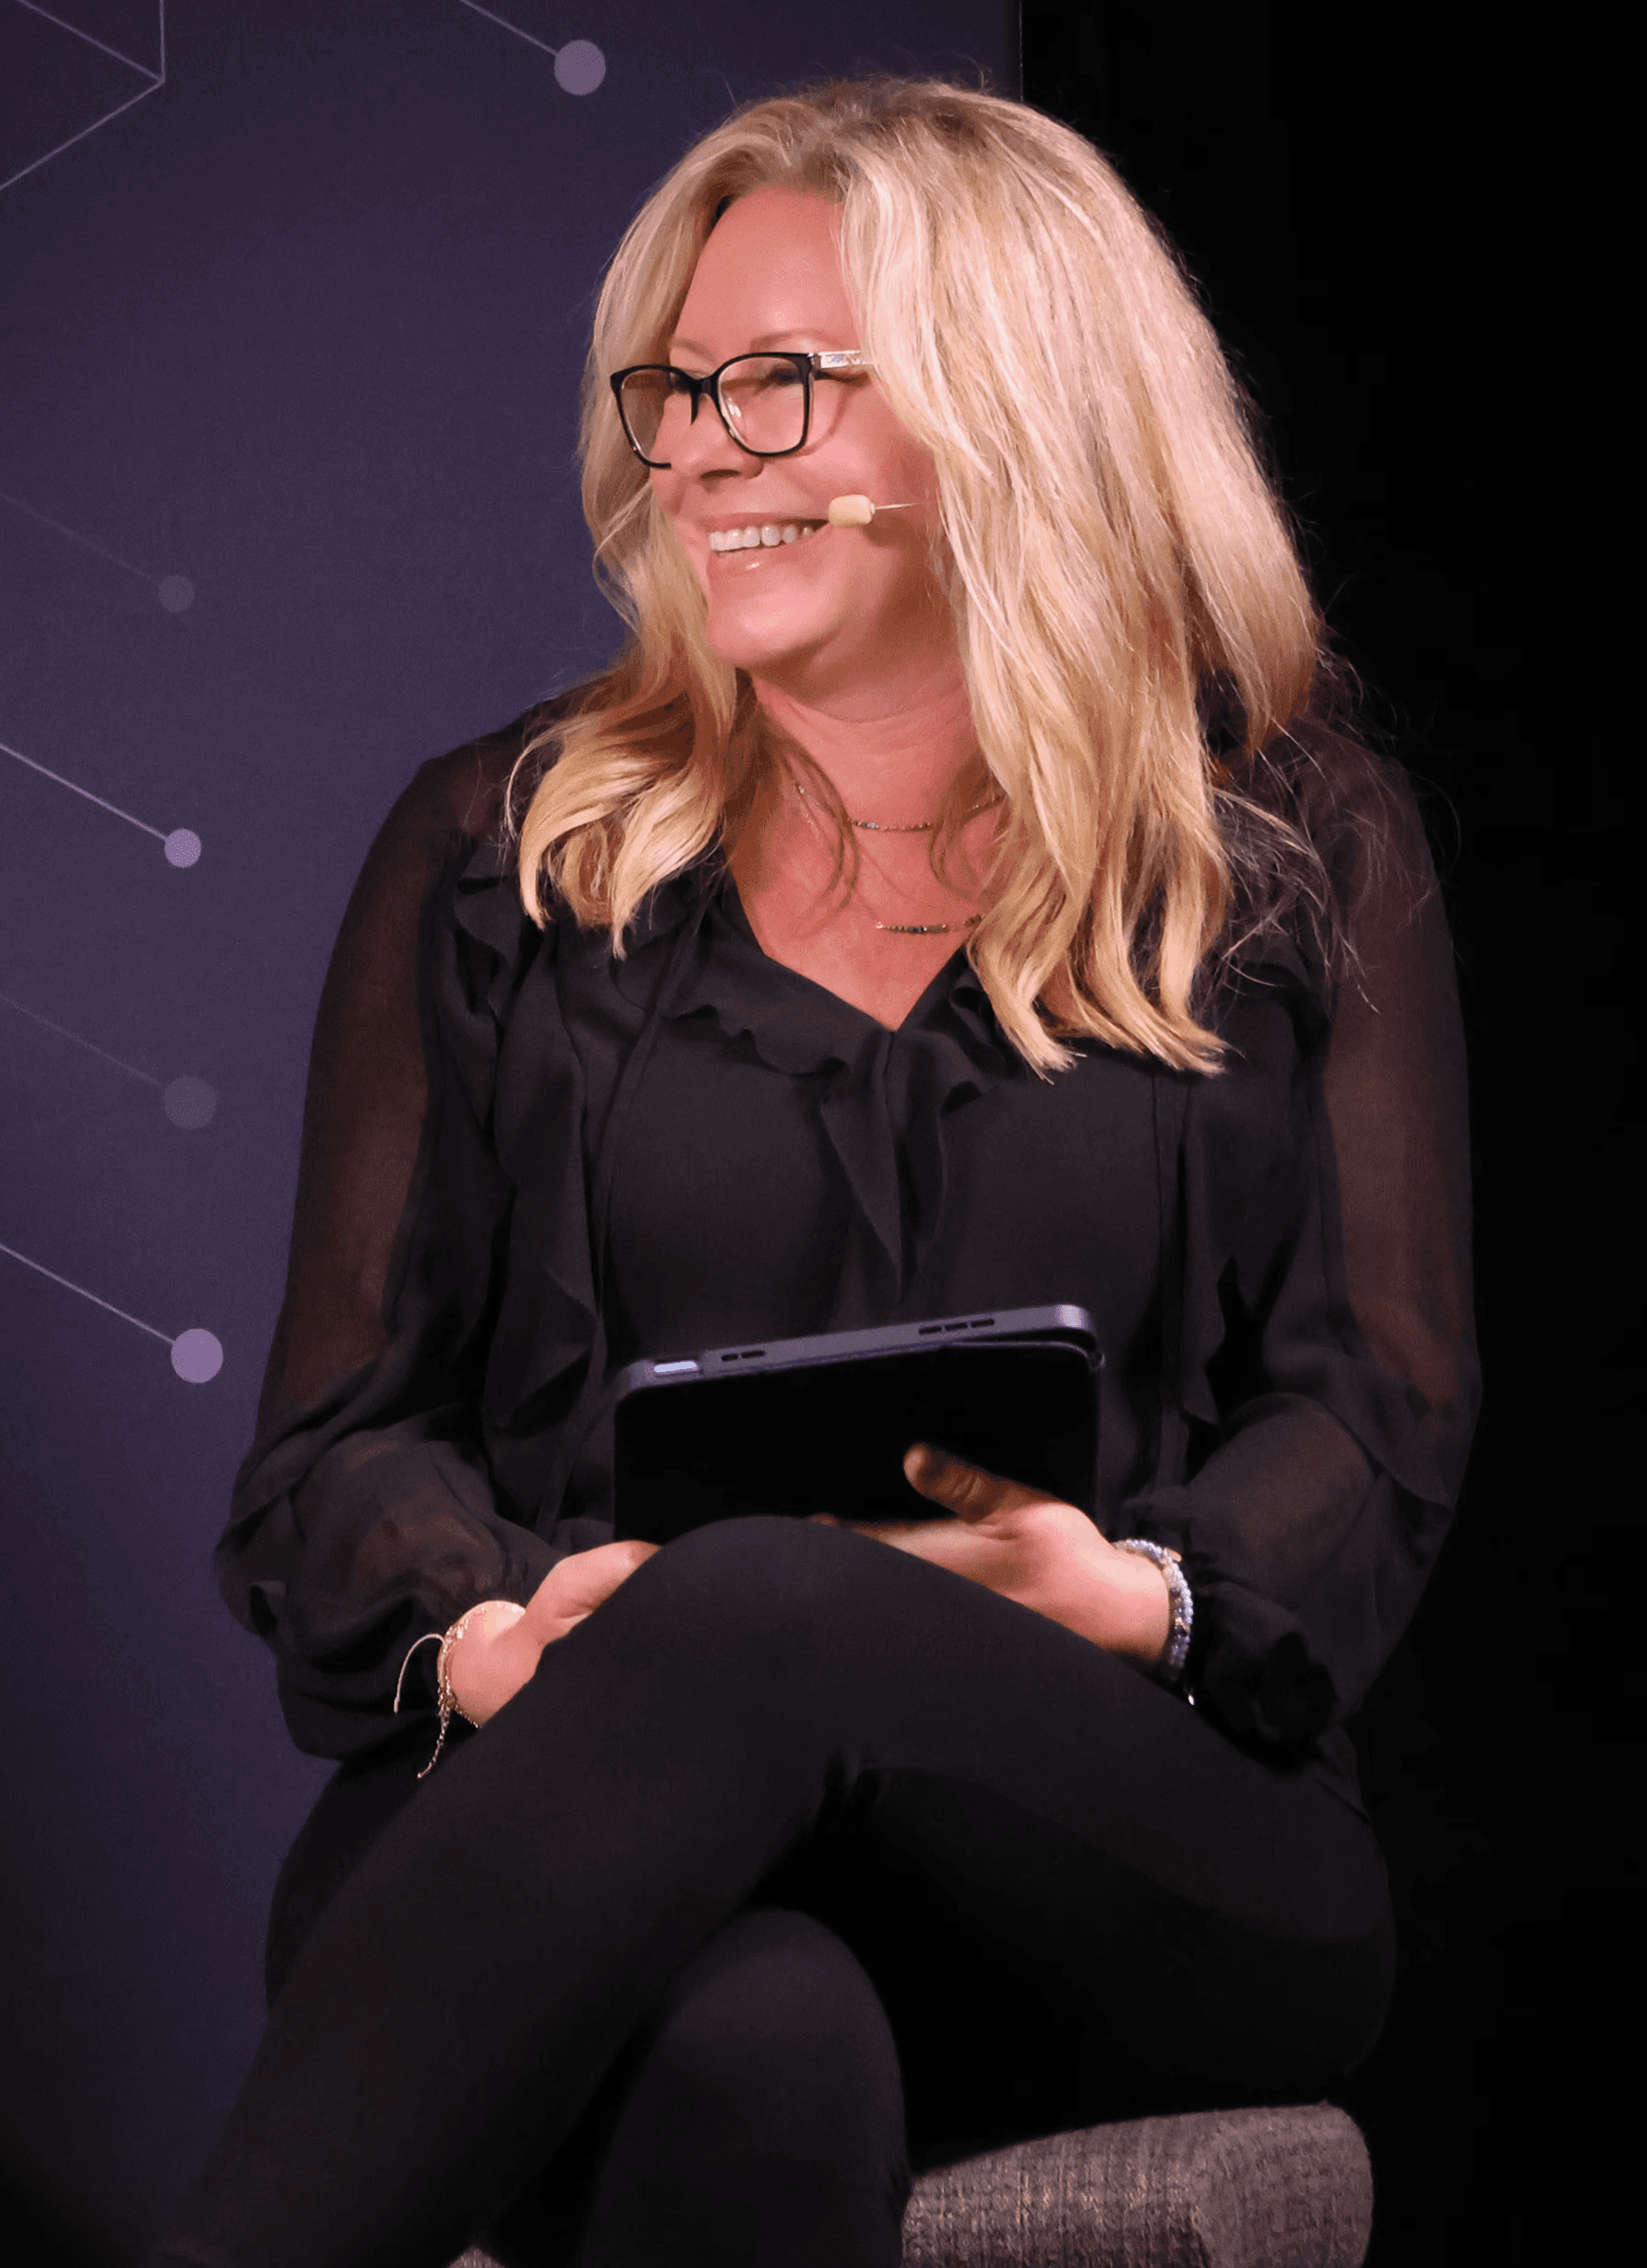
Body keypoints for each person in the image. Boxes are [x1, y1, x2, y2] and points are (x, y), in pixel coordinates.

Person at [150, 75, 1477, 2268]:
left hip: (1118, 1823)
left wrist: (1124, 1598)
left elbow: (1379, 1400)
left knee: (764, 1588)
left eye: (773, 383)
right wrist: (488, 1638)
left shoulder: (1289, 846)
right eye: (673, 387)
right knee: (751, 2036)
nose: (691, 453)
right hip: (549, 1787)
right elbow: (333, 1447)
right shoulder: (506, 849)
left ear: (1015, 401)